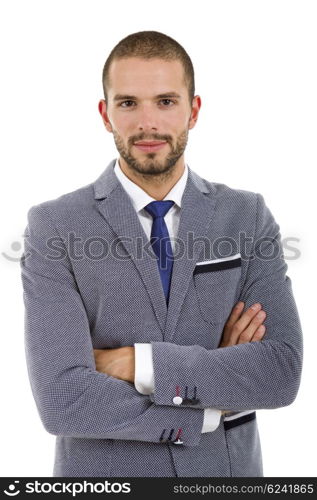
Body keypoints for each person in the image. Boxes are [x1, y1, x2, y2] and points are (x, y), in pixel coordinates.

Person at [20, 30, 303, 478]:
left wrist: (138, 363)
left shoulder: (246, 216)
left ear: (193, 111)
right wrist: (213, 400)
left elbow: (280, 371)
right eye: (128, 103)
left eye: (166, 102)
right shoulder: (55, 226)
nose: (147, 123)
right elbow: (63, 399)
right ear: (105, 113)